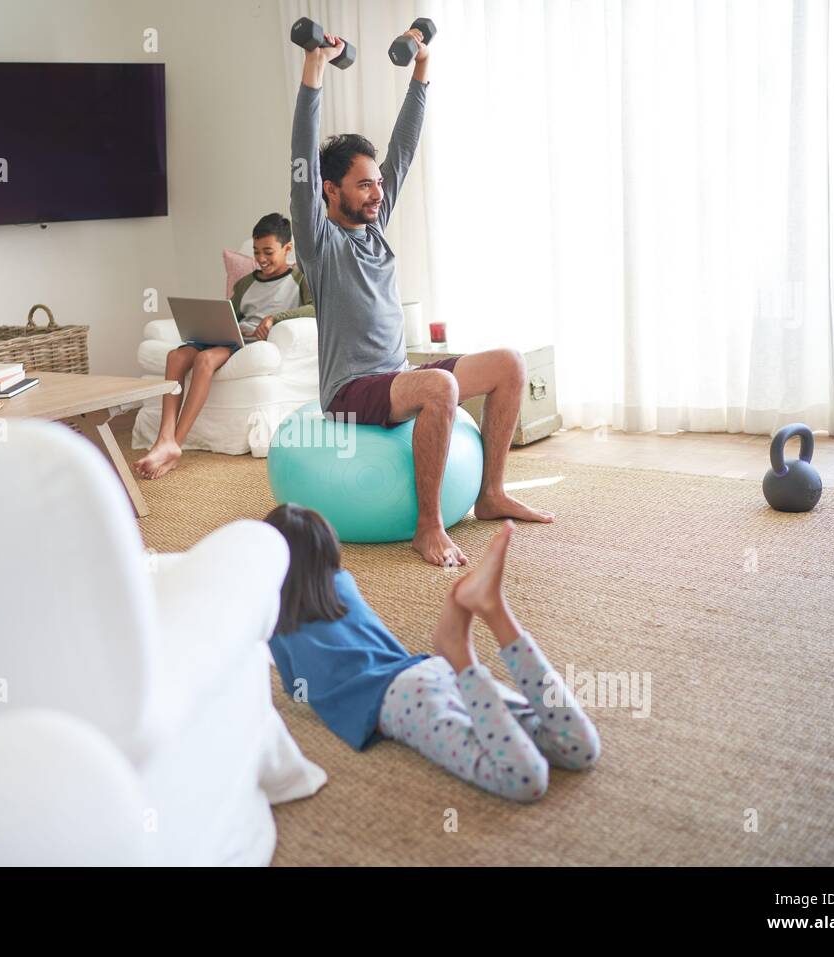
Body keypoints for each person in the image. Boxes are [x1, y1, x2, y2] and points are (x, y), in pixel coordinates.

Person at [290, 27, 554, 567]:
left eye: (377, 183)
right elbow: (301, 157)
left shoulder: (375, 222)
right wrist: (313, 70)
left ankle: (490, 494)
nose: (377, 191)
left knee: (509, 363)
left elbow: (403, 148)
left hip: (394, 375)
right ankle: (427, 526)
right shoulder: (320, 243)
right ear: (329, 189)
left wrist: (422, 68)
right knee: (440, 386)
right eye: (364, 184)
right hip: (351, 392)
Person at [264, 504, 600, 802]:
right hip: (433, 671)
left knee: (524, 778)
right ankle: (497, 616)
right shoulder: (343, 584)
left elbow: (296, 690)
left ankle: (462, 653)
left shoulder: (274, 616)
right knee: (580, 748)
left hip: (403, 701)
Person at [134, 213, 314, 480]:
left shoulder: (299, 279)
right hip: (228, 335)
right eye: (256, 252)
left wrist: (275, 318)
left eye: (268, 252)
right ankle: (164, 437)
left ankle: (176, 444)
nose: (261, 259)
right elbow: (231, 315)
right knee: (175, 356)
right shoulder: (246, 283)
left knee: (204, 361)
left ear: (287, 249)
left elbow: (314, 309)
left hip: (248, 342)